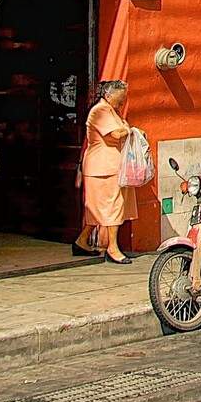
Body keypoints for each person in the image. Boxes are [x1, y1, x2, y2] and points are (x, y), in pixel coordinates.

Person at [78, 79, 134, 264]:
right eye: (120, 99)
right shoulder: (100, 111)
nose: (122, 102)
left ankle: (82, 241)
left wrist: (125, 128)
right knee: (111, 206)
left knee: (99, 207)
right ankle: (112, 247)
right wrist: (128, 129)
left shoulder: (111, 111)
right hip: (102, 166)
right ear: (108, 96)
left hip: (108, 165)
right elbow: (116, 134)